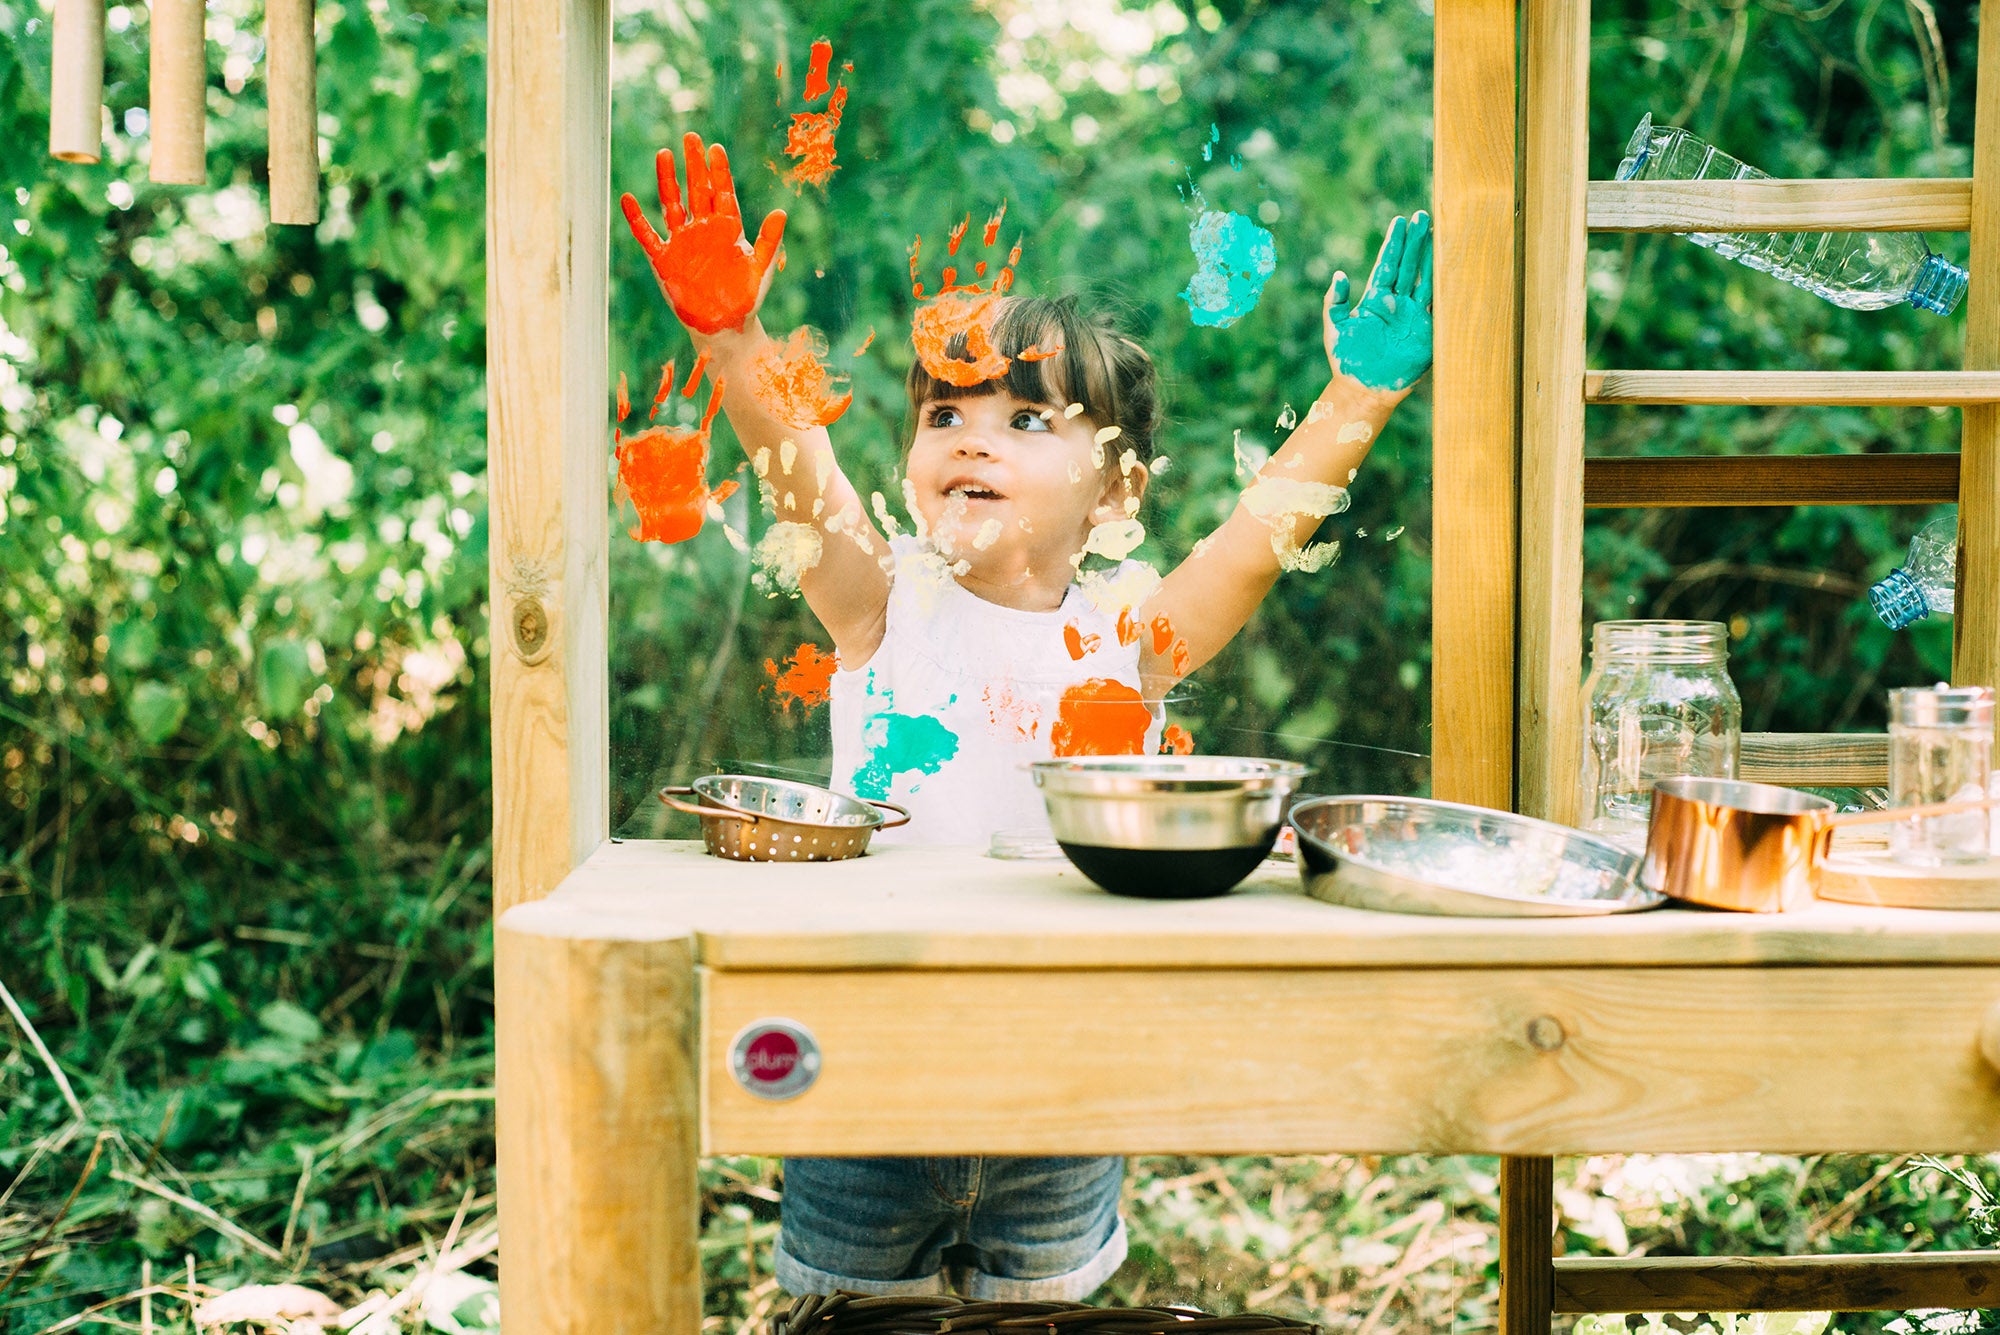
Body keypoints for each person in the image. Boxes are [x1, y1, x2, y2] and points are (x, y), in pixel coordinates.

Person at [621, 131, 1433, 1301]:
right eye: (943, 415)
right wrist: (733, 341)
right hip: (864, 1080)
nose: (970, 440)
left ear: (1118, 489)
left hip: (1064, 1078)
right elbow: (796, 467)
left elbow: (1262, 539)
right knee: (850, 1327)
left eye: (1022, 420)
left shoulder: (1130, 638)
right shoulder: (881, 603)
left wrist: (1359, 394)